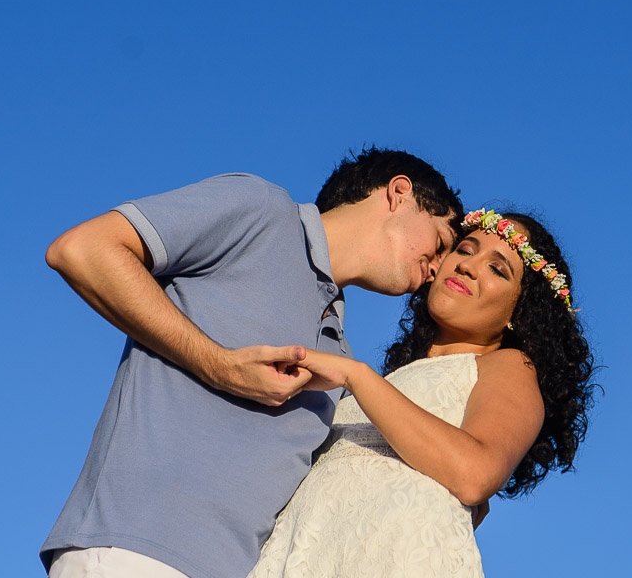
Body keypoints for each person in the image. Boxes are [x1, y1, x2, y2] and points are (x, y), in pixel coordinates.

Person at [41, 148, 463, 578]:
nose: (440, 269)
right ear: (399, 192)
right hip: (136, 553)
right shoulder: (262, 212)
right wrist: (218, 365)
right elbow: (83, 250)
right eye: (442, 242)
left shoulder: (339, 357)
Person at [247, 209, 597, 578]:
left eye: (498, 269)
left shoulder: (509, 366)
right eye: (464, 250)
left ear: (521, 314)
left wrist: (355, 376)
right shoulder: (392, 384)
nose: (467, 266)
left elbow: (474, 474)